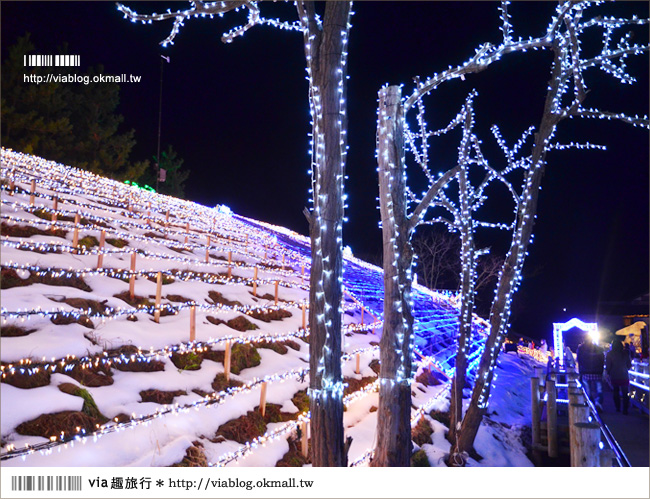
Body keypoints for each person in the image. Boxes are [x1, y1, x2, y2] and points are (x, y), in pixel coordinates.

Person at [576, 338, 605, 410]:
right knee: (599, 390)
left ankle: (590, 404)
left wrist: (580, 372)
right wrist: (601, 371)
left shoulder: (581, 349)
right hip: (597, 372)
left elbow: (579, 360)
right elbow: (602, 360)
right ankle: (598, 402)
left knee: (587, 390)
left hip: (586, 372)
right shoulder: (598, 348)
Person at [606, 338, 632, 414]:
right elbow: (629, 365)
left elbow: (608, 366)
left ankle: (618, 408)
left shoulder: (610, 353)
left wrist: (608, 373)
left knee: (616, 391)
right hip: (624, 375)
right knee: (625, 392)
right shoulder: (626, 353)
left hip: (614, 375)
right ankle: (625, 409)